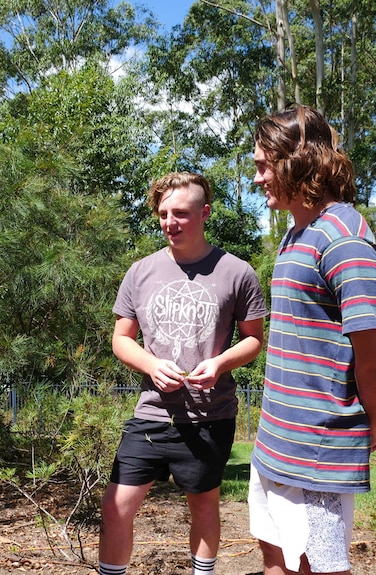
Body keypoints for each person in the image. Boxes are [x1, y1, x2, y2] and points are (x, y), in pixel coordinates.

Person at [249, 105, 376, 575]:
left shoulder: (343, 238)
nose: (257, 179)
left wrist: (371, 426)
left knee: (318, 566)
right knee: (276, 558)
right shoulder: (297, 234)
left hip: (317, 449)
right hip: (275, 441)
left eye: (261, 165)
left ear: (293, 160)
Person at [98, 172, 269, 575]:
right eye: (162, 214)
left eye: (180, 213)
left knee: (204, 504)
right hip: (152, 413)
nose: (169, 222)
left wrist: (220, 363)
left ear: (205, 212)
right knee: (115, 505)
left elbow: (254, 340)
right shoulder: (140, 271)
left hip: (211, 415)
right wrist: (152, 365)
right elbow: (121, 339)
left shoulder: (237, 272)